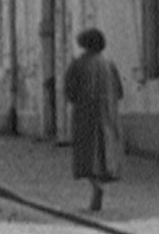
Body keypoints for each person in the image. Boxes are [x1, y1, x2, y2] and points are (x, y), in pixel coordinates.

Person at [63, 28, 124, 212]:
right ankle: (98, 188)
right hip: (108, 114)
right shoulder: (109, 64)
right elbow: (119, 92)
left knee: (86, 153)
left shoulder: (78, 64)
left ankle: (96, 188)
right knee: (104, 152)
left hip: (85, 114)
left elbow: (70, 92)